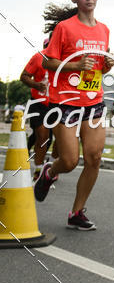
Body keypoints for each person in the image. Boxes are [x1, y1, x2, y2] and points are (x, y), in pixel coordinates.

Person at [34, 0, 113, 231]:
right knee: (68, 161)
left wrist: (107, 64)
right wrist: (75, 66)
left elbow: (99, 63)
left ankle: (76, 212)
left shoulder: (103, 29)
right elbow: (48, 62)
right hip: (65, 101)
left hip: (94, 100)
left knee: (94, 157)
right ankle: (49, 171)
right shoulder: (65, 28)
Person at [20, 36, 54, 180]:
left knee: (53, 139)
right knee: (42, 136)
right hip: (38, 103)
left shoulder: (68, 59)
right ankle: (38, 171)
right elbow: (24, 76)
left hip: (57, 104)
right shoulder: (38, 57)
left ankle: (51, 167)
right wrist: (36, 85)